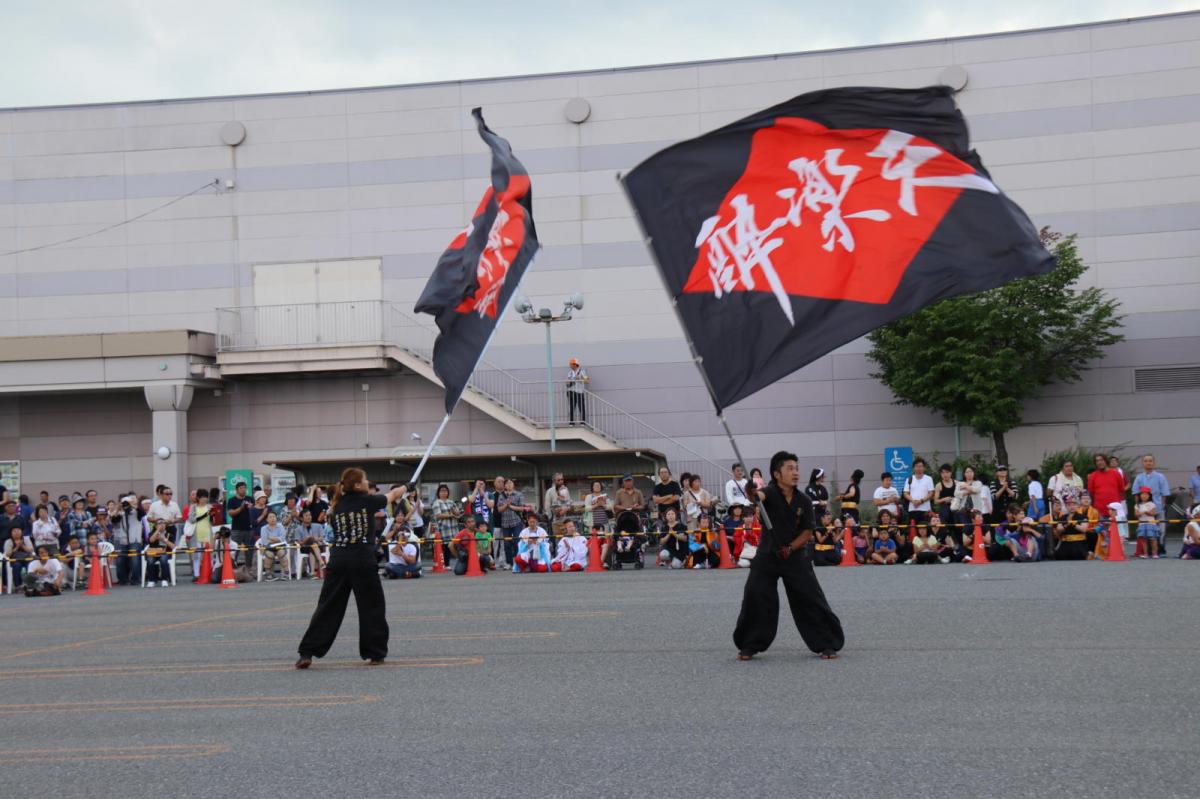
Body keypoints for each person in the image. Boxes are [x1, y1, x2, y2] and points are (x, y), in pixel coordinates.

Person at [733, 450, 844, 661]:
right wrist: (751, 493)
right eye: (790, 469)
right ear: (777, 474)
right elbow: (758, 497)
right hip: (767, 555)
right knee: (756, 595)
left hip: (795, 556)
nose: (795, 473)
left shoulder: (803, 500)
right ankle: (749, 644)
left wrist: (791, 548)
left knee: (811, 598)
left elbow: (808, 532)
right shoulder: (769, 493)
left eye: (797, 468)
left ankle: (827, 643)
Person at [296, 470, 408, 669]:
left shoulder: (337, 504)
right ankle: (375, 653)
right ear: (357, 485)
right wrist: (407, 487)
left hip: (338, 559)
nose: (367, 482)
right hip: (362, 559)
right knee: (371, 606)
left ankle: (307, 652)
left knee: (328, 606)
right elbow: (392, 495)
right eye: (364, 480)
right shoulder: (368, 501)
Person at [1131, 454, 1171, 557]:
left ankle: (1161, 550)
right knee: (1145, 531)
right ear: (1142, 463)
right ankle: (1148, 552)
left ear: (1154, 463)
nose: (1148, 463)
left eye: (1150, 461)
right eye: (1146, 461)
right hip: (1143, 510)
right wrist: (1138, 507)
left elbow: (1164, 494)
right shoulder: (1139, 477)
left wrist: (1161, 507)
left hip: (1158, 508)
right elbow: (1136, 493)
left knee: (1161, 531)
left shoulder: (1160, 477)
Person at [494, 478, 527, 568]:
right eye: (507, 483)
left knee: (517, 542)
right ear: (504, 486)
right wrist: (505, 505)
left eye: (510, 483)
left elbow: (521, 508)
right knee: (507, 544)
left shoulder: (518, 494)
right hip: (505, 523)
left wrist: (510, 506)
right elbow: (499, 509)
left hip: (516, 522)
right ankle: (509, 563)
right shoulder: (501, 496)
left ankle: (518, 560)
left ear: (513, 485)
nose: (509, 485)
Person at [110, 495, 141, 586]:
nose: (126, 506)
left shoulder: (136, 512)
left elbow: (142, 514)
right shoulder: (119, 513)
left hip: (134, 539)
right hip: (121, 539)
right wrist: (118, 508)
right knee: (120, 560)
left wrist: (133, 505)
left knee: (135, 559)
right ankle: (123, 579)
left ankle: (135, 579)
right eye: (124, 504)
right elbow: (114, 520)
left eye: (127, 503)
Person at [186, 489, 215, 582]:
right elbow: (191, 519)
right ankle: (196, 574)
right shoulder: (193, 507)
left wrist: (212, 515)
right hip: (196, 533)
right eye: (203, 497)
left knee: (208, 553)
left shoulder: (209, 506)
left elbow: (213, 521)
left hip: (207, 532)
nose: (205, 499)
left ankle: (209, 573)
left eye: (206, 497)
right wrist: (204, 515)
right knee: (196, 555)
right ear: (198, 498)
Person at [226, 483, 254, 567]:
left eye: (245, 488)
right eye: (241, 488)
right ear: (237, 490)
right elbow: (231, 513)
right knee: (235, 550)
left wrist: (251, 508)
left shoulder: (250, 498)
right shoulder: (232, 500)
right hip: (236, 529)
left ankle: (249, 569)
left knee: (249, 551)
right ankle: (232, 568)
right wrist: (241, 507)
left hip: (248, 529)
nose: (243, 489)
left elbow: (254, 511)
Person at [952, 466, 985, 534]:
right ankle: (966, 542)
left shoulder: (978, 482)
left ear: (974, 473)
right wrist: (967, 491)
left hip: (976, 510)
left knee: (977, 527)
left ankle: (976, 543)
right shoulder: (960, 483)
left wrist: (966, 486)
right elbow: (956, 494)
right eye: (967, 472)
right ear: (964, 474)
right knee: (966, 528)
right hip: (963, 509)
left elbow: (977, 490)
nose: (969, 473)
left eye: (971, 471)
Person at [902, 458, 934, 526]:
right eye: (916, 466)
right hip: (913, 509)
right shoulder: (909, 479)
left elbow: (931, 493)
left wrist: (921, 501)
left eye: (920, 466)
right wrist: (913, 501)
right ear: (913, 468)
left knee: (926, 530)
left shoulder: (928, 479)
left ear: (924, 468)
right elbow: (905, 493)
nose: (919, 468)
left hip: (925, 509)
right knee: (913, 530)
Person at [144, 519, 175, 587]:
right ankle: (151, 580)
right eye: (159, 523)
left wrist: (164, 539)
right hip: (153, 553)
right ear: (155, 526)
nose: (161, 525)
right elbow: (151, 541)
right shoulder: (152, 534)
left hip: (165, 553)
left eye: (163, 523)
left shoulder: (169, 534)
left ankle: (164, 579)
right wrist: (157, 531)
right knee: (150, 560)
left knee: (163, 559)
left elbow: (173, 546)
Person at [296, 508, 327, 579]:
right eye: (306, 515)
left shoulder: (318, 526)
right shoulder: (298, 529)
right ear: (301, 518)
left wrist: (316, 538)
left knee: (313, 547)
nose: (309, 517)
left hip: (319, 546)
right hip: (305, 547)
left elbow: (322, 538)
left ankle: (312, 573)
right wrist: (307, 539)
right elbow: (299, 542)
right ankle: (321, 562)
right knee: (312, 546)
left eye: (310, 515)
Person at [259, 511, 290, 580]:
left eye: (274, 517)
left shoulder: (280, 526)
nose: (272, 519)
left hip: (280, 546)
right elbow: (265, 541)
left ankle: (286, 572)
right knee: (269, 554)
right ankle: (268, 574)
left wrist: (271, 538)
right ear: (267, 519)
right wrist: (276, 539)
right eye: (270, 517)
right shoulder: (263, 528)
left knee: (281, 553)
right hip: (268, 547)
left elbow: (282, 539)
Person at [430, 484, 461, 550]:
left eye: (445, 491)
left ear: (448, 492)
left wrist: (455, 512)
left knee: (456, 550)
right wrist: (450, 515)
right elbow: (438, 515)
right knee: (445, 551)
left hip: (454, 530)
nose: (444, 492)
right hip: (444, 530)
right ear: (438, 493)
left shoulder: (451, 502)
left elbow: (458, 513)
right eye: (441, 491)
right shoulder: (436, 502)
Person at [544, 473, 574, 538]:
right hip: (554, 520)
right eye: (558, 480)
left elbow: (569, 502)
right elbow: (547, 506)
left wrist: (565, 509)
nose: (561, 481)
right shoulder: (550, 491)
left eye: (562, 479)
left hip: (565, 519)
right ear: (554, 481)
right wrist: (550, 518)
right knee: (556, 539)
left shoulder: (566, 489)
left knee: (567, 538)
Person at [1134, 487, 1161, 559]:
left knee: (1153, 539)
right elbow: (1136, 514)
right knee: (1143, 540)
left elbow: (1153, 513)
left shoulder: (1152, 504)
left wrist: (1146, 512)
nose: (1144, 496)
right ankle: (1145, 553)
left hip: (1151, 523)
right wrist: (1140, 513)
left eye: (1146, 494)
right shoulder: (1137, 505)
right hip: (1142, 524)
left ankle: (1154, 553)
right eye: (1142, 494)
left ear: (1149, 496)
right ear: (1140, 495)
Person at [566, 357, 589, 424]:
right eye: (570, 364)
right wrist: (568, 382)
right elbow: (567, 383)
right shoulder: (570, 373)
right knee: (571, 407)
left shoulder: (582, 371)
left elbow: (587, 381)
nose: (570, 366)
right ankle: (571, 422)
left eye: (571, 364)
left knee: (581, 407)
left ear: (575, 364)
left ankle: (583, 422)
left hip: (579, 392)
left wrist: (580, 378)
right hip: (571, 392)